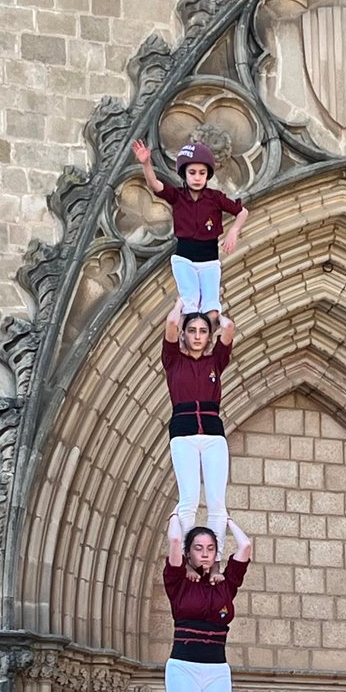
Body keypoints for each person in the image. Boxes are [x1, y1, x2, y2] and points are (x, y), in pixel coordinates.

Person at [164, 514, 251, 692]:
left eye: (210, 548)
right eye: (198, 548)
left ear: (217, 553)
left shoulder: (225, 585)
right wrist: (177, 515)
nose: (204, 553)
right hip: (184, 668)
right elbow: (175, 539)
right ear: (189, 553)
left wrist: (224, 520)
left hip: (216, 670)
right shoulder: (179, 582)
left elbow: (246, 546)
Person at [132, 139, 248, 320]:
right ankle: (185, 336)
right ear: (184, 174)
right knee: (190, 301)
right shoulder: (178, 196)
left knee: (211, 304)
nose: (197, 177)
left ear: (208, 175)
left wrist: (234, 231)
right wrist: (146, 164)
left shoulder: (215, 198)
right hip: (184, 258)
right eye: (192, 172)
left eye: (202, 173)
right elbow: (155, 185)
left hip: (209, 259)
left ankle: (207, 339)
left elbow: (242, 212)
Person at [162, 299, 234, 567]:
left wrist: (216, 313)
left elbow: (229, 329)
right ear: (184, 333)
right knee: (189, 499)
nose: (197, 336)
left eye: (203, 331)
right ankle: (183, 557)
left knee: (217, 502)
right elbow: (170, 323)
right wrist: (184, 302)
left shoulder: (216, 360)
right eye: (192, 330)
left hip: (213, 434)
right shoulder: (173, 360)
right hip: (183, 433)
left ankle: (215, 560)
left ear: (209, 335)